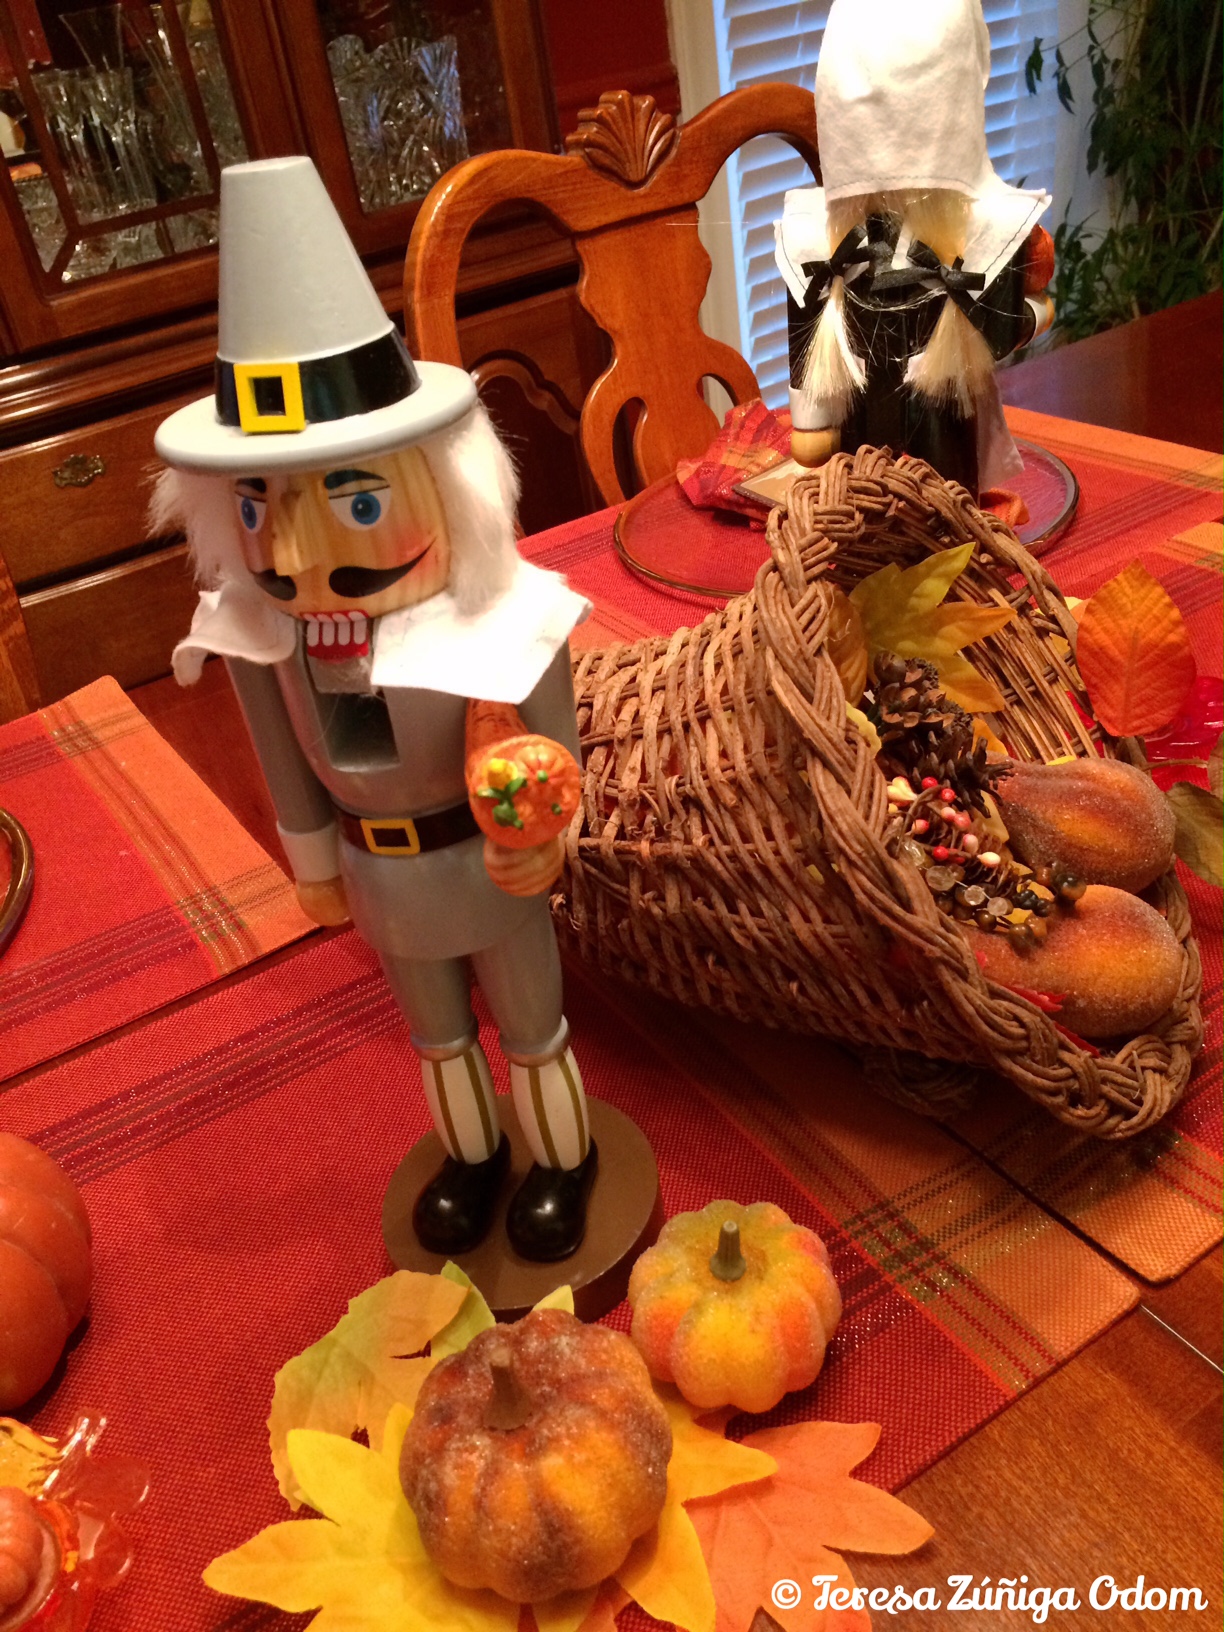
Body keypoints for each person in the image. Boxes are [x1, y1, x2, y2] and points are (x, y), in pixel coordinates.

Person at [153, 155, 597, 1263]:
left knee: (530, 1023)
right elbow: (281, 754)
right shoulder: (265, 634)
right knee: (434, 1031)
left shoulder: (502, 625)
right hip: (378, 868)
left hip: (488, 861)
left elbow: (552, 737)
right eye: (258, 508)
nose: (295, 551)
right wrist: (311, 863)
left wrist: (548, 831)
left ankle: (563, 1160)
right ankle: (473, 1156)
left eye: (355, 505)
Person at [775, 0, 1054, 496]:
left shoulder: (817, 246)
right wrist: (1039, 313)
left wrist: (810, 423)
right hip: (937, 461)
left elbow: (808, 353)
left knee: (891, 495)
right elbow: (1001, 331)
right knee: (939, 500)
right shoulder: (982, 243)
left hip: (866, 468)